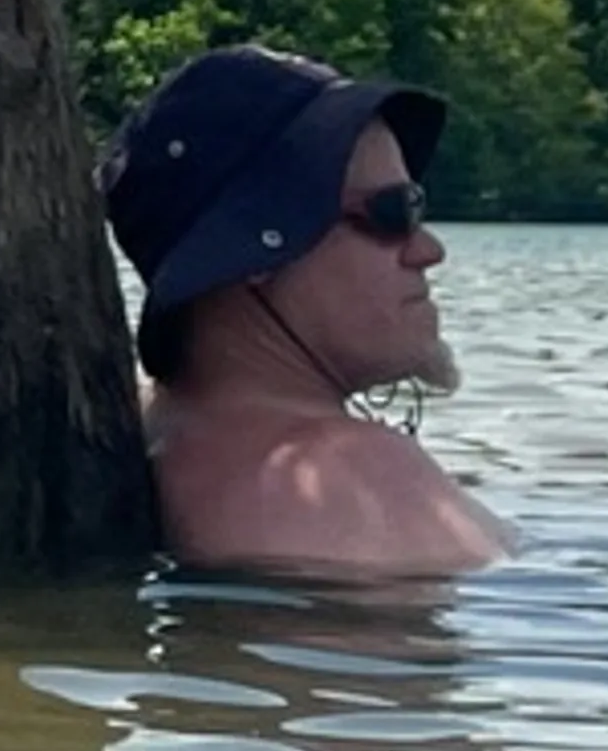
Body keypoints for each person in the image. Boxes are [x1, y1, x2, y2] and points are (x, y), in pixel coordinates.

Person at [99, 39, 513, 580]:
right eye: (391, 213)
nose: (428, 250)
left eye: (417, 204)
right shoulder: (351, 479)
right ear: (255, 252)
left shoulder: (130, 434)